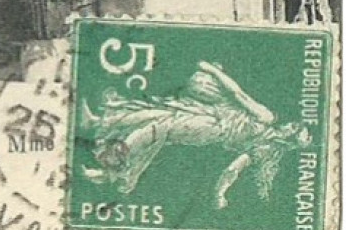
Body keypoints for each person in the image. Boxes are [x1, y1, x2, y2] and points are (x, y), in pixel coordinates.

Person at [80, 59, 312, 209]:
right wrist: (220, 194)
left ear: (289, 134)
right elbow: (233, 170)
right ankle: (101, 125)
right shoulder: (265, 150)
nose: (290, 125)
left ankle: (111, 170)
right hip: (212, 115)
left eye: (294, 128)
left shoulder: (267, 120)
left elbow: (239, 95)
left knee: (160, 127)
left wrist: (211, 70)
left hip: (212, 127)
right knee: (160, 115)